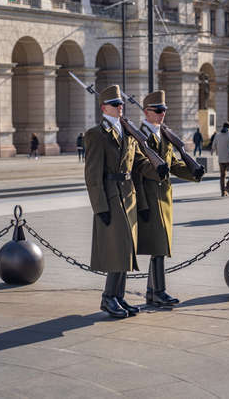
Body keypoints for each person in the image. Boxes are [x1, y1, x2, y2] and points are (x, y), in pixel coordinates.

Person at [84, 85, 169, 319]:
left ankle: (118, 297)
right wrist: (100, 207)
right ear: (103, 108)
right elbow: (92, 175)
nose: (120, 107)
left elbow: (139, 163)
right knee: (116, 250)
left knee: (125, 250)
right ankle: (108, 298)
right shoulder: (96, 134)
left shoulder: (128, 132)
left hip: (129, 196)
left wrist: (158, 170)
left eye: (121, 104)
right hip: (111, 197)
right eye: (115, 104)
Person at [133, 90, 203, 307]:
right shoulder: (138, 135)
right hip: (149, 196)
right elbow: (139, 167)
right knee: (159, 246)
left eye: (164, 110)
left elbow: (172, 162)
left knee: (160, 246)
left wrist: (193, 172)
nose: (162, 114)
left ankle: (153, 292)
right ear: (147, 112)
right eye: (158, 110)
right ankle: (158, 292)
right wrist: (143, 201)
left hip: (164, 196)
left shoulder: (164, 133)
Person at [211, 122, 229, 197]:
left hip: (221, 159)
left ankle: (223, 192)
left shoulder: (217, 135)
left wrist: (216, 151)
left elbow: (213, 145)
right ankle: (227, 187)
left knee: (222, 175)